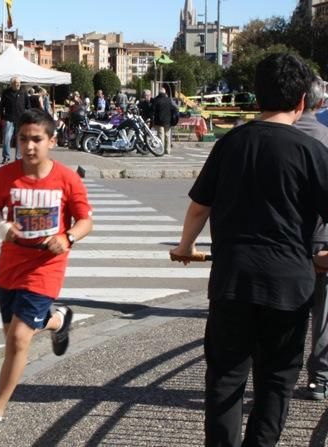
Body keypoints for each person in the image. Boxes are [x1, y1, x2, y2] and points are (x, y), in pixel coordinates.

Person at [170, 53, 328, 447]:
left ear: (256, 98)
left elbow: (198, 207)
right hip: (290, 285)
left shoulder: (230, 144)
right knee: (276, 382)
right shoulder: (312, 152)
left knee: (226, 379)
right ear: (302, 102)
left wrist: (185, 246)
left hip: (233, 280)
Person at [0, 108, 93, 443]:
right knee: (12, 333)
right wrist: (2, 227)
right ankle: (58, 319)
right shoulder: (4, 177)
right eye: (23, 138)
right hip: (11, 265)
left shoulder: (67, 179)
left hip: (46, 265)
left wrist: (67, 238)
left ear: (52, 141)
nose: (29, 145)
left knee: (19, 338)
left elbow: (85, 221)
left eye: (37, 139)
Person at [294, 76, 328, 400]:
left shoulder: (278, 135)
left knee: (287, 312)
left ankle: (278, 377)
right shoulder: (325, 137)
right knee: (323, 314)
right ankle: (319, 378)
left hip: (285, 240)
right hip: (320, 237)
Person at [0, 76, 30, 164]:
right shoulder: (6, 93)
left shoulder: (23, 92)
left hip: (21, 119)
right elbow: (1, 106)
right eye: (16, 84)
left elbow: (28, 106)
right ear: (11, 84)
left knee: (20, 138)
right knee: (7, 138)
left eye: (19, 83)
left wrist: (28, 116)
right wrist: (2, 117)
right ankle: (6, 157)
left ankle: (19, 157)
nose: (17, 85)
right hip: (9, 118)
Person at [152, 87, 174, 155]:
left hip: (159, 121)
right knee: (167, 135)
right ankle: (168, 150)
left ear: (159, 93)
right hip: (168, 121)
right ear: (165, 93)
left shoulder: (156, 100)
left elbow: (153, 110)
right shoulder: (169, 100)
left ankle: (162, 149)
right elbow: (173, 109)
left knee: (161, 135)